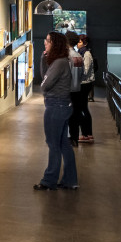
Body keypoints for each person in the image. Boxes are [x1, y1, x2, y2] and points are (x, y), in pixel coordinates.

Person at [34, 31, 78, 191]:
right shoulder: (60, 61)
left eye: (47, 41)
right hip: (62, 105)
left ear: (55, 44)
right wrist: (43, 58)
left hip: (56, 106)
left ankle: (49, 180)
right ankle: (70, 180)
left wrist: (45, 86)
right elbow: (45, 76)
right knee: (63, 144)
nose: (45, 43)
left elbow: (45, 84)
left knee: (53, 144)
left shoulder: (59, 63)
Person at [64, 32, 85, 147]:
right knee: (75, 115)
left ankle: (67, 138)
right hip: (78, 89)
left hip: (68, 90)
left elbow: (65, 74)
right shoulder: (78, 56)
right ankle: (75, 139)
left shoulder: (67, 56)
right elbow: (83, 74)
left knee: (65, 115)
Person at [75, 35, 96, 142]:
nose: (78, 43)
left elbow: (85, 71)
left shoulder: (86, 54)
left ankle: (86, 134)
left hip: (85, 84)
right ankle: (87, 134)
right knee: (83, 108)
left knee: (82, 108)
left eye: (80, 42)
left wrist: (76, 76)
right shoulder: (81, 53)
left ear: (85, 43)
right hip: (84, 83)